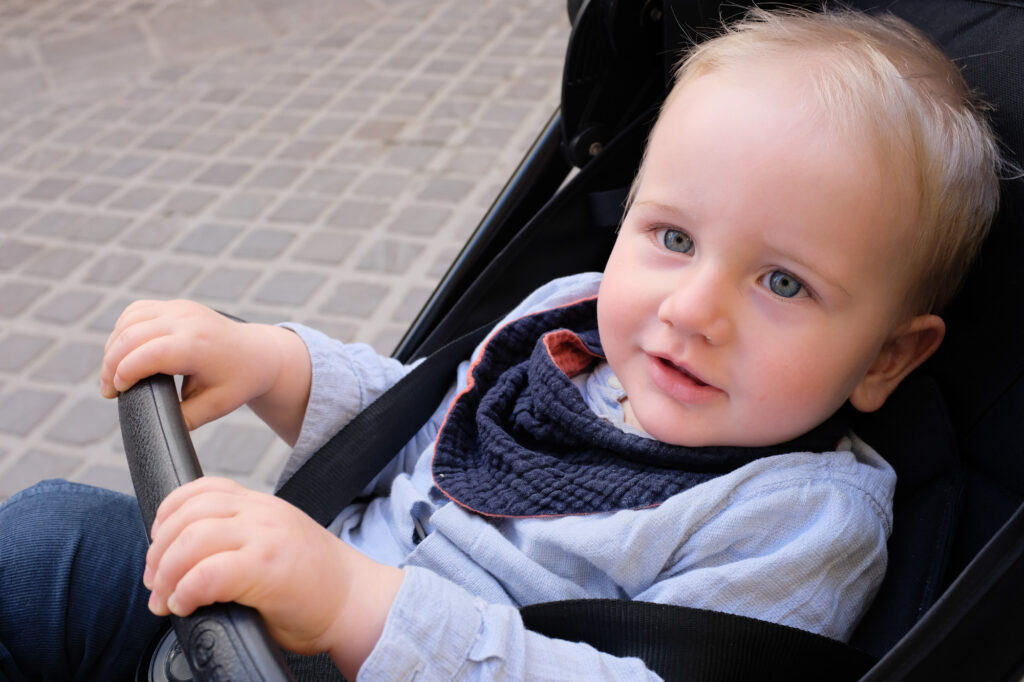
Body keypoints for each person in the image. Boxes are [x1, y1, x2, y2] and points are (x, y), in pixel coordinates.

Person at [0, 7, 1002, 681]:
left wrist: (355, 606)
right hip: (278, 603)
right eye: (672, 237)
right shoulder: (574, 325)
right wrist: (277, 365)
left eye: (782, 282)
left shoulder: (799, 518)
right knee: (46, 536)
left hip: (364, 630)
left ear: (887, 358)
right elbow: (422, 418)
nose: (692, 308)